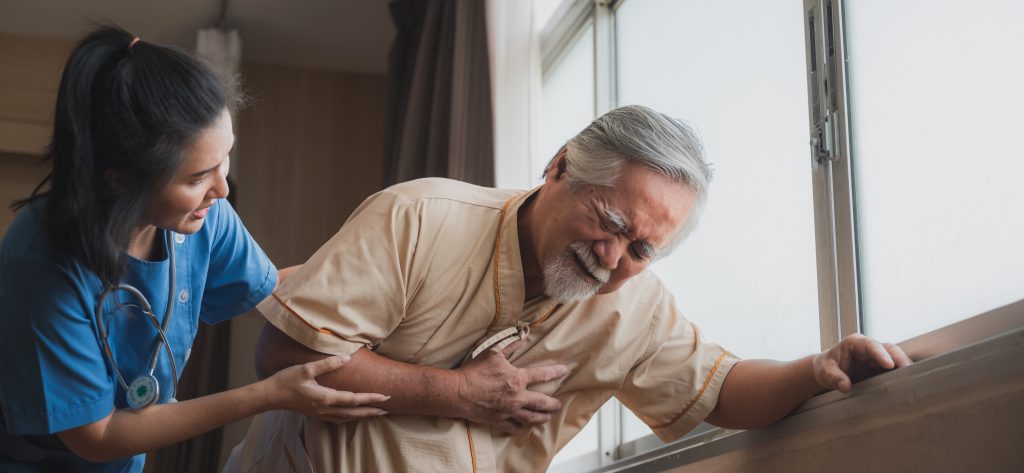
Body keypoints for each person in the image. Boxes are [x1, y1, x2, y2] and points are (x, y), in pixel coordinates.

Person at [226, 105, 912, 472]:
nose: (613, 257)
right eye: (609, 221)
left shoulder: (635, 308)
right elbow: (284, 357)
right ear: (558, 167)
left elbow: (719, 388)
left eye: (643, 248)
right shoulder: (419, 217)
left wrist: (816, 370)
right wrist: (454, 392)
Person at [0, 26, 387, 472]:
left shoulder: (204, 219)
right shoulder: (41, 264)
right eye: (196, 177)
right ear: (120, 178)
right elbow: (97, 435)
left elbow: (271, 289)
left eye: (225, 161)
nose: (221, 189)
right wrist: (267, 395)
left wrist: (384, 287)